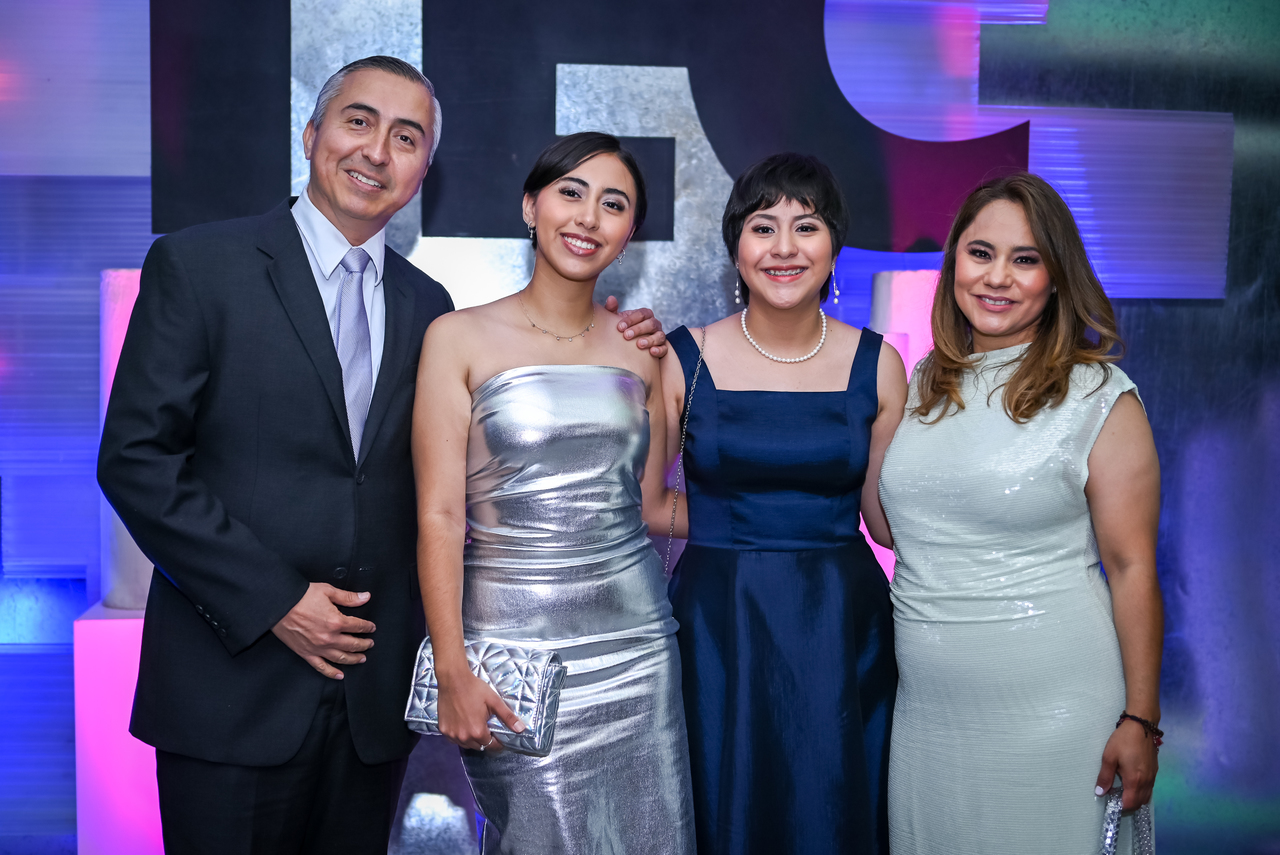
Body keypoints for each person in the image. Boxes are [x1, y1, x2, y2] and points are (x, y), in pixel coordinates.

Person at [97, 57, 666, 854]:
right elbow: (136, 460)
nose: (376, 150)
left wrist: (614, 341)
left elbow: (452, 482)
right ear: (311, 134)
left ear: (424, 169)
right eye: (359, 121)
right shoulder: (201, 266)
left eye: (406, 137)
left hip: (370, 704)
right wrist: (276, 600)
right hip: (232, 685)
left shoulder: (428, 306)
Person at [413, 131, 695, 854]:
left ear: (629, 233)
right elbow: (439, 514)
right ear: (530, 206)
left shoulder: (645, 350)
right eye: (571, 192)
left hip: (636, 648)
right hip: (513, 654)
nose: (588, 217)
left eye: (614, 204)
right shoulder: (457, 337)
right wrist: (452, 667)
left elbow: (654, 506)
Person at [879, 172, 1164, 854]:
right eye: (980, 253)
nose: (997, 277)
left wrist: (1141, 718)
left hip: (1057, 709)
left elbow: (1132, 567)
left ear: (1056, 277)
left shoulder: (1098, 394)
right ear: (954, 262)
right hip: (928, 717)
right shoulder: (923, 384)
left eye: (1025, 259)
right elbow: (895, 527)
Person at [660, 152, 906, 855]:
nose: (784, 248)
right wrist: (735, 525)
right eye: (763, 227)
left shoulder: (879, 363)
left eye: (807, 226)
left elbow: (884, 521)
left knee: (834, 802)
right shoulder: (682, 357)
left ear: (834, 246)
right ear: (736, 247)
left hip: (840, 619)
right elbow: (647, 504)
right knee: (723, 801)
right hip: (719, 619)